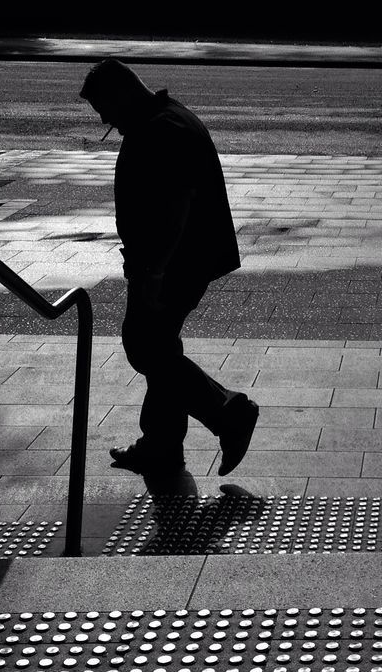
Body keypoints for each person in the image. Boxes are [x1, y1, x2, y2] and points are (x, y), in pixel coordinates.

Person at [79, 58, 258, 477]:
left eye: (105, 109)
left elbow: (177, 207)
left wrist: (155, 271)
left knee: (145, 346)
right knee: (158, 347)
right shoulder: (168, 117)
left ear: (122, 92)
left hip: (174, 265)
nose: (106, 120)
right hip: (179, 261)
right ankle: (161, 444)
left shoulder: (161, 129)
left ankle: (228, 411)